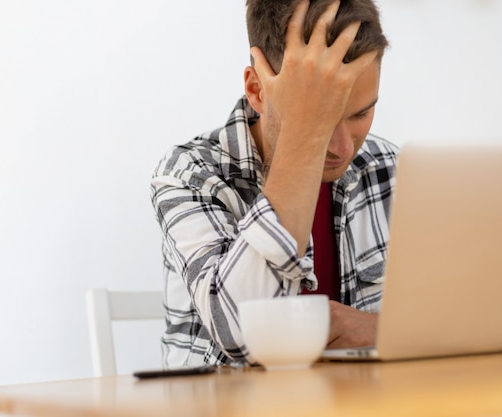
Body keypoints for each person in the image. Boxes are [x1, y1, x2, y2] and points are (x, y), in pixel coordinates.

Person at [150, 0, 398, 367]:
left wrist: (383, 329)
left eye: (361, 114)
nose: (344, 147)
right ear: (257, 90)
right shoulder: (189, 172)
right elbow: (241, 333)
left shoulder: (387, 168)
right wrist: (304, 133)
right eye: (324, 118)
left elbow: (472, 318)